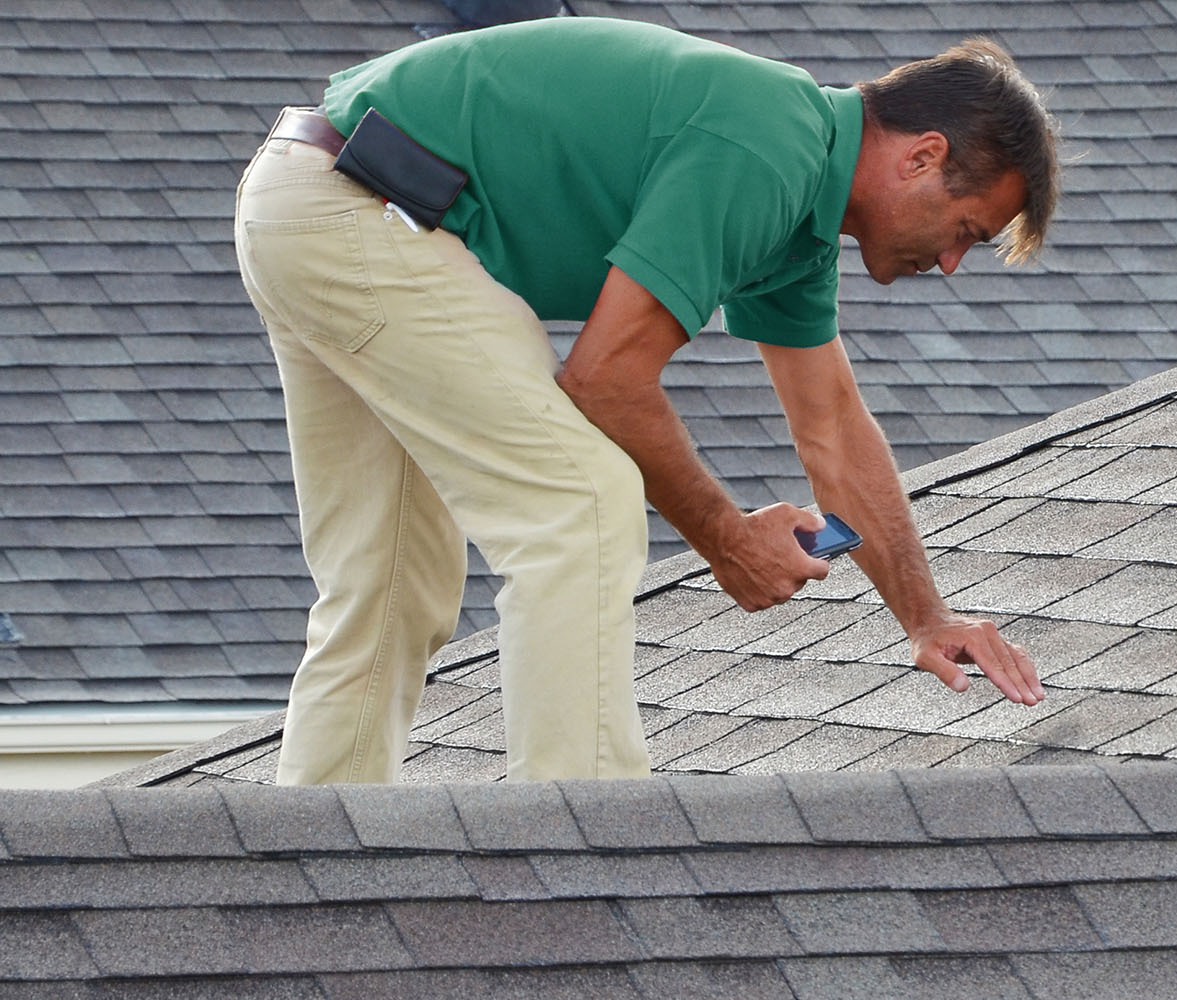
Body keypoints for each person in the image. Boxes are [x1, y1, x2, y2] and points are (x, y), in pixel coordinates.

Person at [232, 16, 1058, 784]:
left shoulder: (798, 213)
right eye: (965, 232)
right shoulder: (770, 144)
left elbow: (833, 428)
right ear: (921, 157)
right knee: (582, 504)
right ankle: (584, 859)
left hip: (311, 200)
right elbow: (604, 381)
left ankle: (314, 855)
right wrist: (728, 540)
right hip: (367, 213)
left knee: (389, 583)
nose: (951, 265)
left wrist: (925, 619)